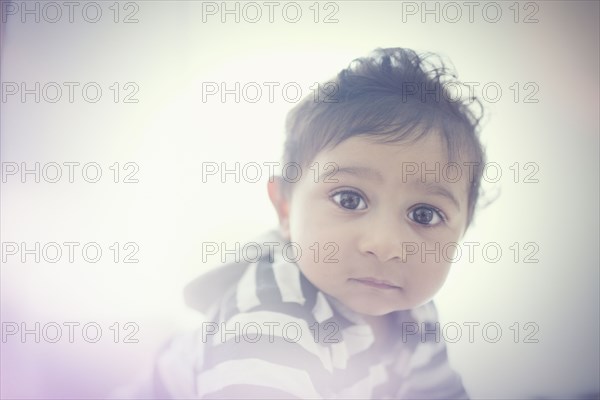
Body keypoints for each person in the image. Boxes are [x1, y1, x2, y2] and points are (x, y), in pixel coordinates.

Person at [126, 47, 486, 399]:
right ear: (285, 208)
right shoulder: (270, 310)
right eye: (349, 199)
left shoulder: (416, 315)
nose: (385, 243)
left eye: (424, 214)